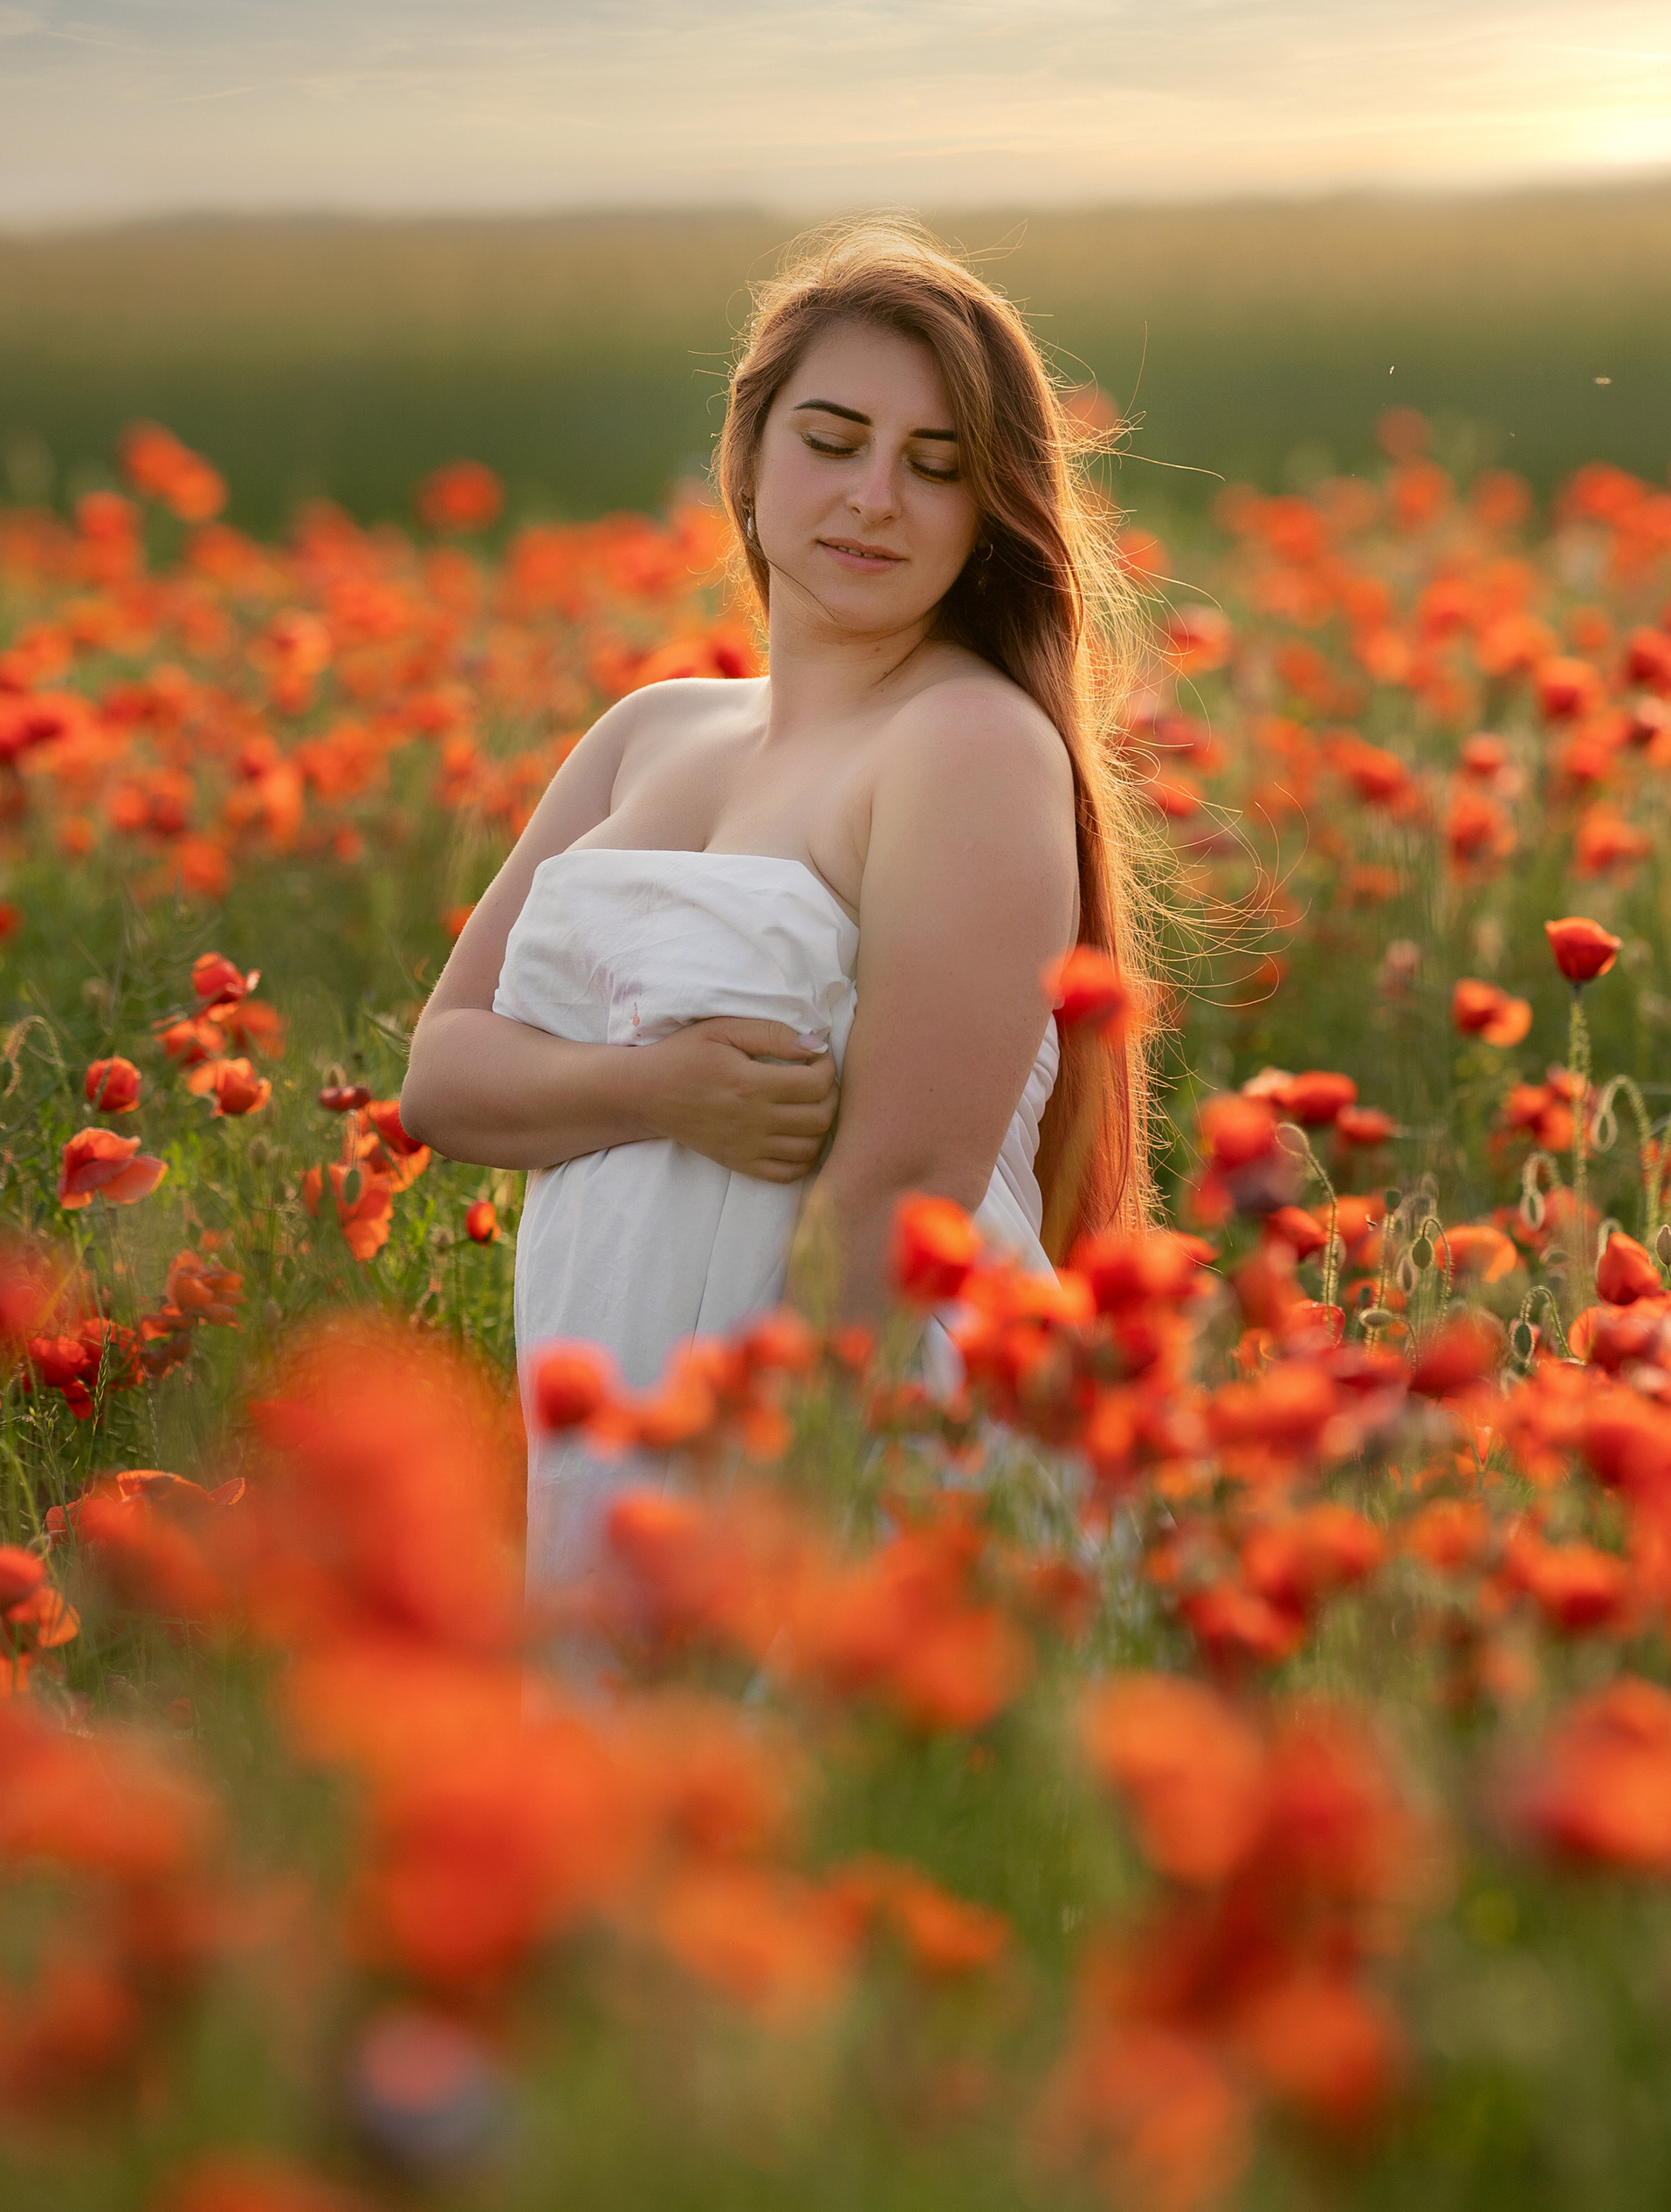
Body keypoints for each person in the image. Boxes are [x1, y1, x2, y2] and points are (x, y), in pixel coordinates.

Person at [400, 216, 1154, 1594]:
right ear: (745, 458)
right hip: (626, 1435)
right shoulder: (649, 733)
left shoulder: (967, 742)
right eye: (833, 440)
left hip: (850, 1456)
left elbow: (900, 1193)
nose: (875, 496)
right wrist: (659, 1091)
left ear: (989, 513)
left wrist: (754, 1520)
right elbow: (444, 1079)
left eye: (937, 466)